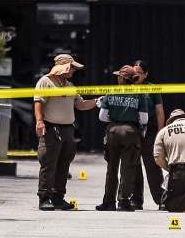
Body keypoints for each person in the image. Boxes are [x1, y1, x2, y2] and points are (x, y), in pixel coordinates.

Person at [34, 54, 99, 211]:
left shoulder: (70, 86)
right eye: (73, 67)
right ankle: (44, 198)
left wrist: (98, 101)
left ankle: (58, 198)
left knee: (64, 164)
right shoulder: (45, 82)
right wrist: (40, 121)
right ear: (65, 67)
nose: (75, 70)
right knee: (48, 164)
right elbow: (38, 102)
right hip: (51, 129)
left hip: (68, 130)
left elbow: (81, 105)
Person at [96, 65, 149, 212]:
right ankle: (123, 202)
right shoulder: (139, 94)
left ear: (121, 78)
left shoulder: (111, 92)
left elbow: (102, 117)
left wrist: (115, 118)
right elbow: (144, 119)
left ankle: (108, 202)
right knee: (128, 168)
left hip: (112, 131)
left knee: (111, 168)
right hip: (131, 132)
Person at [129, 60, 166, 210]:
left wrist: (160, 132)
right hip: (131, 129)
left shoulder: (151, 89)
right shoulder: (126, 87)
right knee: (133, 164)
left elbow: (159, 111)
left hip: (149, 130)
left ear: (146, 75)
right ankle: (136, 199)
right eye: (133, 72)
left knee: (152, 165)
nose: (136, 76)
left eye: (139, 73)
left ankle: (161, 199)